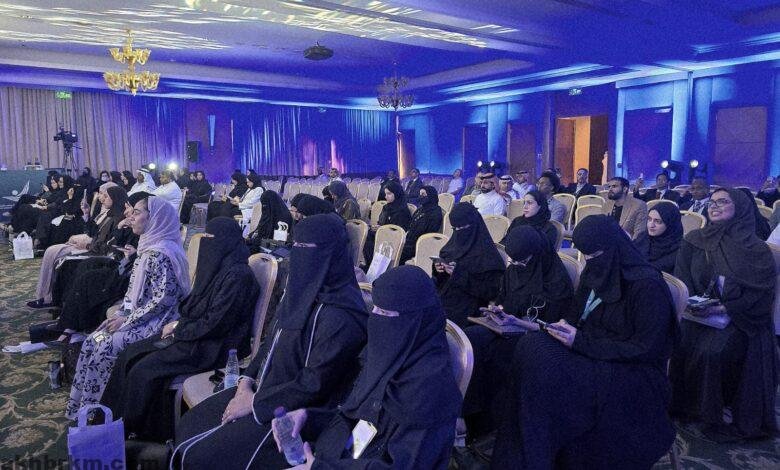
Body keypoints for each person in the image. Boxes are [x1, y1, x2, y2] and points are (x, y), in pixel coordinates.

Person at [173, 214, 368, 468]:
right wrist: (245, 383)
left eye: (305, 247)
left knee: (201, 456)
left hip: (293, 412)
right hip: (263, 389)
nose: (297, 253)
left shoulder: (343, 315)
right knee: (190, 424)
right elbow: (270, 342)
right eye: (295, 245)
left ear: (330, 254)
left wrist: (255, 404)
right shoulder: (300, 292)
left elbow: (314, 383)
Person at [491, 215, 678, 469]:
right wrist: (563, 327)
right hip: (588, 352)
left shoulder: (646, 285)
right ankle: (527, 455)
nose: (589, 261)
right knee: (530, 347)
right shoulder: (596, 269)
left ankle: (538, 453)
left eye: (594, 255)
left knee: (546, 375)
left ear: (613, 247)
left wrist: (580, 341)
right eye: (585, 256)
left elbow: (646, 348)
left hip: (632, 371)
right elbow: (577, 315)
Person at [275, 266, 462, 469]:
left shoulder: (431, 392)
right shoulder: (387, 359)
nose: (374, 318)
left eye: (384, 312)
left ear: (413, 323)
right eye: (374, 309)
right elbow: (355, 418)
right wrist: (308, 417)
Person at [101, 217, 260, 441]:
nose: (206, 243)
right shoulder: (220, 267)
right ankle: (108, 422)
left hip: (214, 347)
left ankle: (129, 432)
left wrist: (178, 331)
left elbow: (216, 324)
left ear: (226, 241)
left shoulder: (239, 276)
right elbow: (197, 307)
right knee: (130, 354)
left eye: (211, 238)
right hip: (194, 334)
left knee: (143, 371)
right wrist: (178, 325)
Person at [65, 196, 190, 419]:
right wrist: (122, 313)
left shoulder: (163, 253)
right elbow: (133, 292)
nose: (131, 217)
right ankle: (86, 409)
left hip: (160, 322)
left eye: (137, 212)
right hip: (139, 315)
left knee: (104, 345)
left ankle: (105, 412)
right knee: (93, 339)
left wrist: (126, 320)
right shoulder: (148, 247)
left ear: (155, 218)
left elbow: (162, 301)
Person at [670, 188, 778, 442]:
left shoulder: (756, 250)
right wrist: (695, 304)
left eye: (723, 202)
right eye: (712, 202)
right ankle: (684, 405)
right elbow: (682, 277)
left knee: (713, 350)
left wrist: (725, 308)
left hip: (741, 317)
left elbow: (761, 295)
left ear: (740, 207)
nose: (714, 206)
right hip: (698, 313)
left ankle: (709, 411)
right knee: (675, 340)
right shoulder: (695, 239)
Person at [463, 226, 573, 436]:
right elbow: (504, 299)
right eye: (513, 262)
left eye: (521, 262)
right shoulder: (515, 269)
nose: (516, 266)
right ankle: (466, 413)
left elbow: (551, 326)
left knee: (498, 355)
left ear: (536, 255)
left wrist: (517, 322)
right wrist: (497, 310)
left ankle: (489, 425)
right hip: (507, 325)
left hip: (535, 335)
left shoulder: (556, 281)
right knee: (471, 338)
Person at [48, 192, 150, 341]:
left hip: (126, 272)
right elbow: (107, 241)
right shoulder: (131, 225)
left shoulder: (157, 243)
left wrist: (133, 254)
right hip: (122, 266)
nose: (128, 213)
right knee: (83, 270)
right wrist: (120, 227)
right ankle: (68, 321)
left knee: (89, 276)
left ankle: (71, 326)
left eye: (134, 211)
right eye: (130, 210)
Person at [27, 184, 127, 309]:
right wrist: (87, 213)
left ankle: (53, 298)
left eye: (105, 196)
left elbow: (107, 244)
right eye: (102, 194)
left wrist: (87, 244)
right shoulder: (110, 213)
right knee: (53, 253)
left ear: (115, 198)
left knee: (63, 260)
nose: (101, 198)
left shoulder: (117, 218)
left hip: (97, 250)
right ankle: (47, 295)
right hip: (93, 245)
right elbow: (94, 232)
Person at [433, 203, 504, 328]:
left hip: (469, 303)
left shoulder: (488, 256)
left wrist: (459, 275)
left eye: (462, 228)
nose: (458, 232)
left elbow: (491, 292)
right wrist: (439, 269)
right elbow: (440, 280)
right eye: (455, 229)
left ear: (473, 226)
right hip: (445, 295)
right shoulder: (453, 246)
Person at [364, 180, 411, 265]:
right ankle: (371, 265)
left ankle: (375, 265)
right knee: (367, 234)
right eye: (385, 194)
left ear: (396, 194)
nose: (386, 197)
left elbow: (400, 230)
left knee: (370, 241)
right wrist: (376, 227)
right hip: (382, 234)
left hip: (393, 239)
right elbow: (381, 222)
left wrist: (382, 228)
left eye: (389, 194)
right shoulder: (386, 207)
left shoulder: (403, 211)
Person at [633, 202, 683, 274]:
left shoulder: (679, 249)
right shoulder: (642, 238)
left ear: (670, 224)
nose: (651, 225)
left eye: (658, 221)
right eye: (649, 219)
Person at [400, 185, 444, 264]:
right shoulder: (421, 209)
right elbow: (411, 225)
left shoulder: (435, 213)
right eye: (420, 194)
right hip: (409, 240)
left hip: (419, 244)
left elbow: (429, 234)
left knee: (398, 251)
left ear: (430, 195)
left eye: (423, 194)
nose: (420, 197)